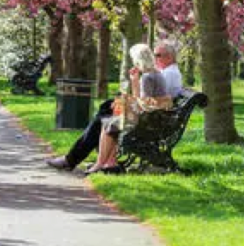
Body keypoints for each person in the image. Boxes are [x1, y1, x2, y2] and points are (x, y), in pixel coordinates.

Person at [45, 41, 184, 172]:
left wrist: (128, 96)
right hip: (153, 117)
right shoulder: (158, 73)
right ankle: (104, 161)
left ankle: (85, 161)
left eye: (158, 55)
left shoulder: (157, 75)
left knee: (104, 119)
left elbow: (145, 104)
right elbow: (147, 100)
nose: (155, 57)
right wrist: (133, 84)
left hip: (150, 121)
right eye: (154, 54)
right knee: (106, 111)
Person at [86, 43, 173, 174]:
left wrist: (126, 100)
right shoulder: (155, 73)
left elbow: (142, 106)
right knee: (111, 122)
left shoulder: (148, 77)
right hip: (154, 119)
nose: (133, 62)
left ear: (138, 60)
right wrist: (134, 82)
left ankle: (100, 163)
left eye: (133, 59)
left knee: (108, 125)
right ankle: (109, 163)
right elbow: (144, 101)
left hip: (148, 123)